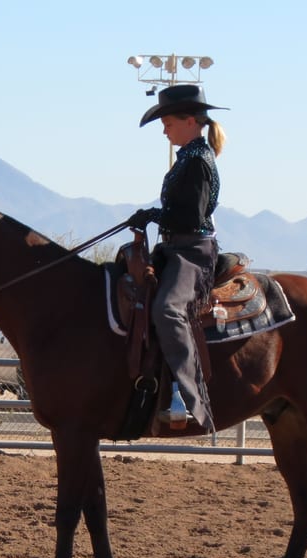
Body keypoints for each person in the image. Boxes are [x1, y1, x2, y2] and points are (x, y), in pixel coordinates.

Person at [126, 84, 228, 432]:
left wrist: (153, 216)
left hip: (193, 254)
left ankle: (185, 396)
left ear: (188, 121)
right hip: (175, 249)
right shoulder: (188, 157)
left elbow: (191, 216)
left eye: (167, 122)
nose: (164, 129)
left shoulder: (198, 161)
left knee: (168, 309)